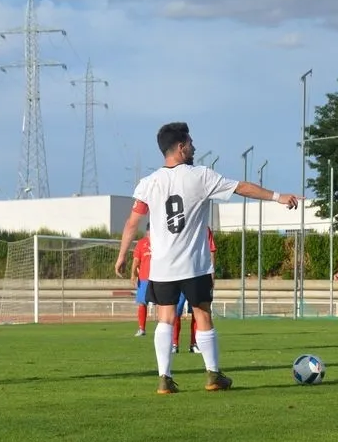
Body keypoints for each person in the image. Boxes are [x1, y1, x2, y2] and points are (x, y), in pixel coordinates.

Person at [114, 122, 299, 394]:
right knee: (202, 314)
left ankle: (164, 378)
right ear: (180, 147)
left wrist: (121, 256)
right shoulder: (200, 175)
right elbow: (242, 187)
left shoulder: (148, 183)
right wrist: (278, 197)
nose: (194, 147)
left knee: (165, 317)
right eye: (190, 143)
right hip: (194, 265)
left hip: (162, 267)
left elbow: (132, 222)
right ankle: (213, 375)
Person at [173, 226, 216, 354]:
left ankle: (194, 344)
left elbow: (212, 251)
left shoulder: (204, 228)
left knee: (199, 312)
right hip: (179, 275)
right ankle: (174, 344)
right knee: (175, 312)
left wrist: (212, 275)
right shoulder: (178, 225)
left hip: (198, 276)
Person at [130, 224, 152, 337]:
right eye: (149, 231)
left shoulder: (161, 241)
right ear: (147, 231)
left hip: (159, 278)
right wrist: (133, 274)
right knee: (142, 303)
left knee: (164, 304)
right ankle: (141, 328)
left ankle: (164, 329)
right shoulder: (141, 243)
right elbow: (136, 260)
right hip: (144, 278)